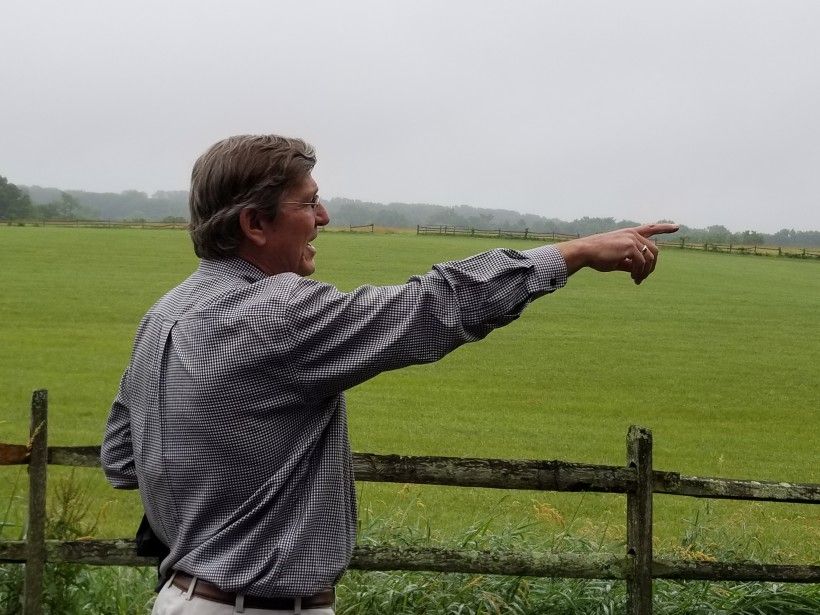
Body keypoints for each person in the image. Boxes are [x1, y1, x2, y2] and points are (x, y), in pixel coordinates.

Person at [101, 134, 678, 614]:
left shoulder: (166, 314)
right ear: (255, 223)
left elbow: (123, 461)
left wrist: (208, 507)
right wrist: (571, 253)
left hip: (182, 597)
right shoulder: (274, 312)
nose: (324, 217)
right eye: (309, 203)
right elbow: (431, 307)